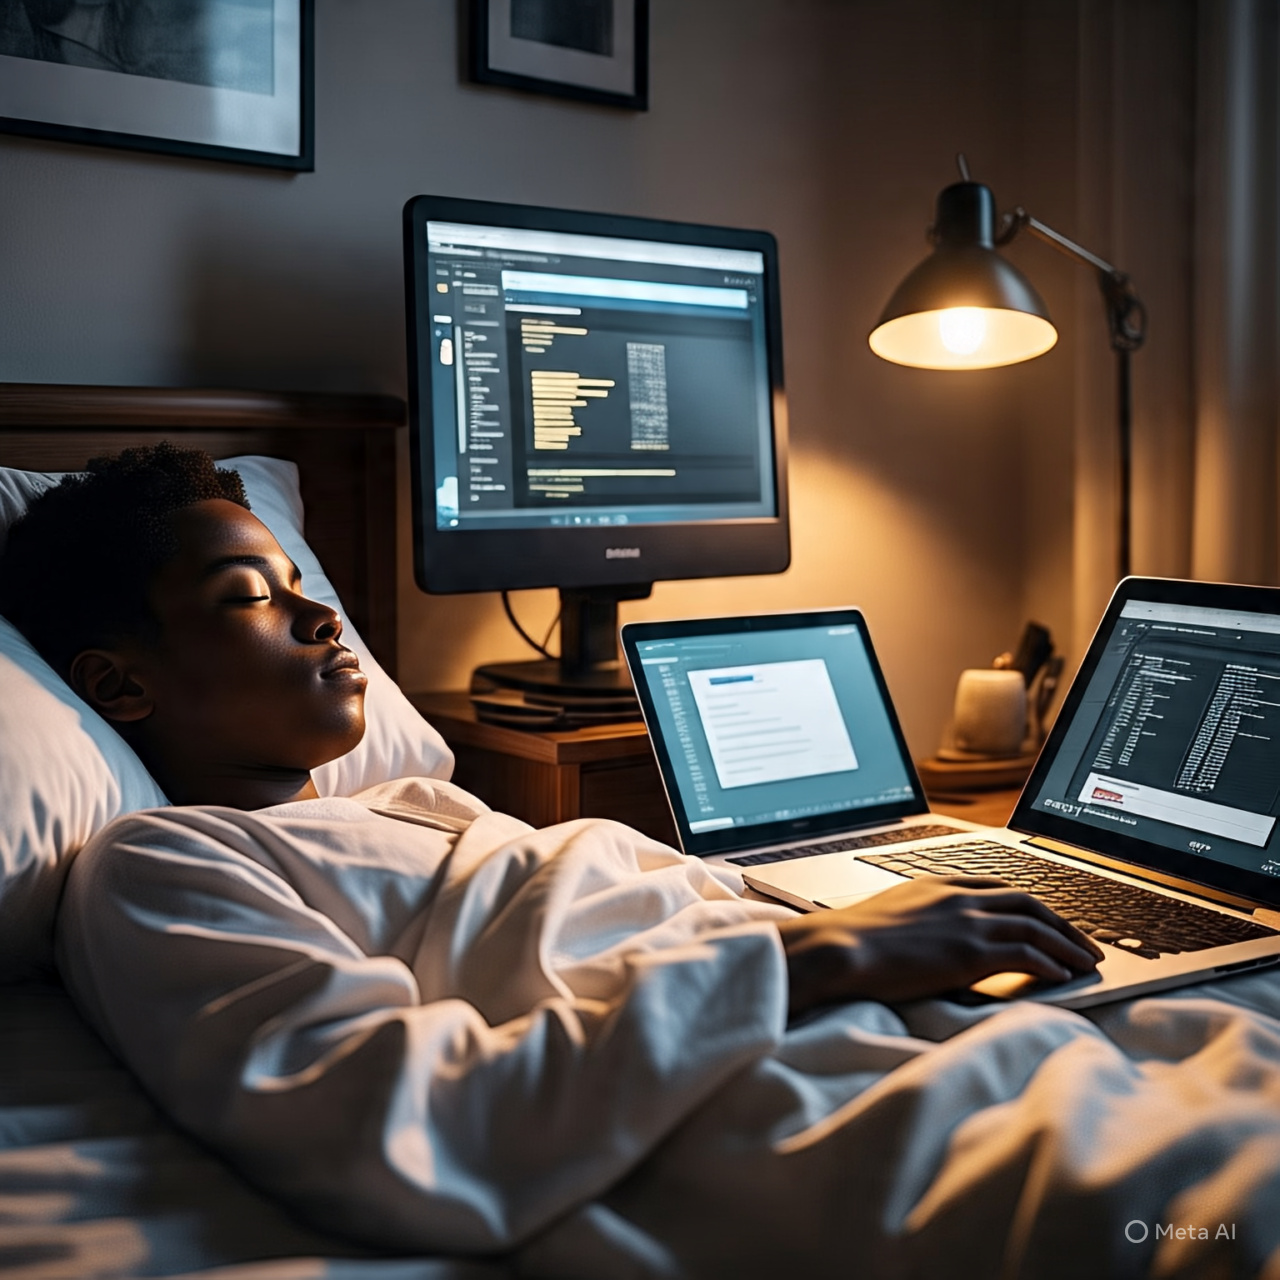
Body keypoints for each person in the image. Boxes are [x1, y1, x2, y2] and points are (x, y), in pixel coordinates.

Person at [4, 444, 1277, 1277]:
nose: (324, 614)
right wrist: (805, 948)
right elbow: (410, 1127)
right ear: (117, 683)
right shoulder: (159, 863)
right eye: (250, 596)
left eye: (300, 581)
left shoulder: (414, 795)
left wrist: (864, 920)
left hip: (894, 997)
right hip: (761, 1078)